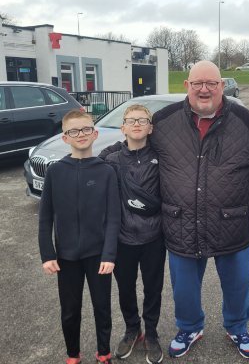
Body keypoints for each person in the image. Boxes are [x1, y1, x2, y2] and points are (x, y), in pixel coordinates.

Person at [150, 60, 249, 360]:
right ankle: (189, 327)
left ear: (221, 86)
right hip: (180, 221)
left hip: (232, 221)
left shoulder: (248, 123)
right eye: (197, 83)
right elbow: (131, 151)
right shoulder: (161, 122)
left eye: (211, 83)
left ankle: (237, 326)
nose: (204, 89)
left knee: (237, 285)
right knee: (184, 287)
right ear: (186, 86)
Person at [38, 110, 121, 364]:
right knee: (70, 311)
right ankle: (73, 354)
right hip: (66, 257)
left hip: (98, 256)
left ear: (94, 133)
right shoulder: (55, 172)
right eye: (73, 131)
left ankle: (103, 352)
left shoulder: (106, 171)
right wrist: (47, 253)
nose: (81, 135)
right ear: (65, 138)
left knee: (102, 308)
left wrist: (109, 253)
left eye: (86, 129)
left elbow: (113, 217)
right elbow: (45, 217)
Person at [101, 105, 165, 364]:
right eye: (131, 120)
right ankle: (132, 328)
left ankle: (151, 332)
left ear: (150, 127)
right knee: (125, 287)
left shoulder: (162, 156)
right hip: (123, 237)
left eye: (143, 120)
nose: (137, 124)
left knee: (153, 288)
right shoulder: (111, 160)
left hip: (154, 237)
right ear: (123, 127)